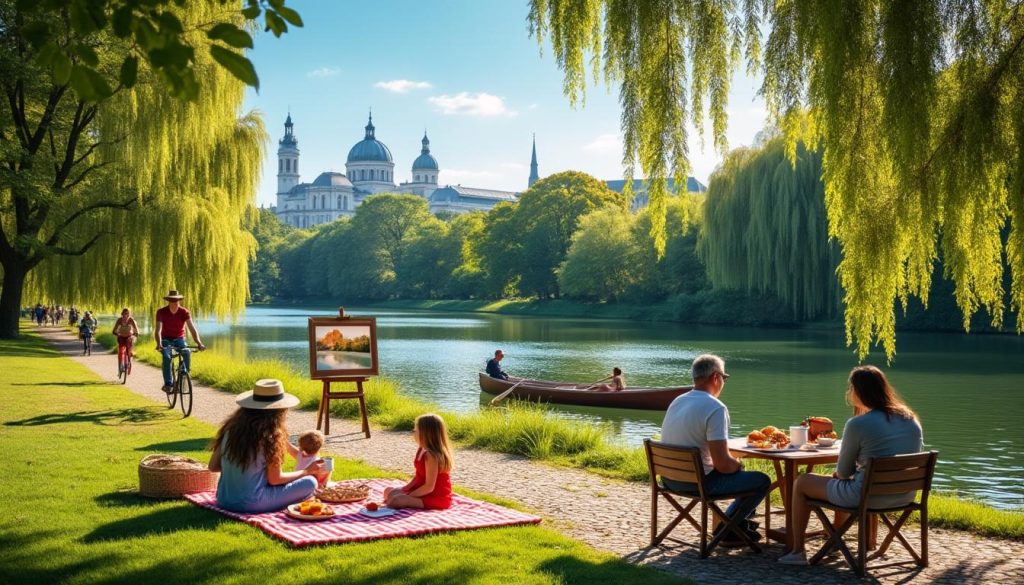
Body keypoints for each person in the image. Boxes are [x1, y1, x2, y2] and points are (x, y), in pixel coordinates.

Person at [778, 365, 923, 566]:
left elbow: (844, 473)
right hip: (905, 495)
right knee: (843, 481)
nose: (848, 392)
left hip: (866, 497)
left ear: (859, 391)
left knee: (802, 482)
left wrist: (839, 474)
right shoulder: (911, 419)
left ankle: (797, 552)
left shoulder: (858, 424)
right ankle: (836, 541)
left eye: (850, 388)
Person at [660, 354, 771, 545]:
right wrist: (737, 464)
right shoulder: (715, 407)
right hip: (699, 484)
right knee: (761, 480)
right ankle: (725, 529)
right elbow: (723, 465)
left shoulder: (678, 401)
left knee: (740, 475)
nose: (723, 383)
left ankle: (733, 527)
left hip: (669, 479)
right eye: (724, 378)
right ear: (715, 377)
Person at [209, 379, 325, 513]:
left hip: (224, 500)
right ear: (280, 410)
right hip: (252, 503)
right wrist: (307, 471)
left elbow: (213, 466)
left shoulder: (230, 429)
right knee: (310, 482)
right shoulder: (271, 436)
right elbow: (275, 480)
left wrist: (240, 470)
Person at [383, 413, 454, 510]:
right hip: (421, 490)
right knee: (389, 491)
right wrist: (405, 488)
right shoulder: (421, 449)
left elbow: (429, 487)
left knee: (396, 500)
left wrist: (410, 496)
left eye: (416, 430)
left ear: (426, 433)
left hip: (435, 497)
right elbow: (418, 476)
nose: (414, 433)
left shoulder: (431, 456)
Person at [154, 289, 205, 393]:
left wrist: (199, 343)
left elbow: (192, 329)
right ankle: (168, 384)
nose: (175, 302)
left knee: (186, 352)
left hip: (179, 339)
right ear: (169, 301)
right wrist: (159, 343)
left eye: (176, 300)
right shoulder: (161, 312)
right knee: (166, 356)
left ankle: (183, 377)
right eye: (172, 300)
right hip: (166, 339)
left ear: (179, 300)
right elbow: (158, 330)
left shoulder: (184, 312)